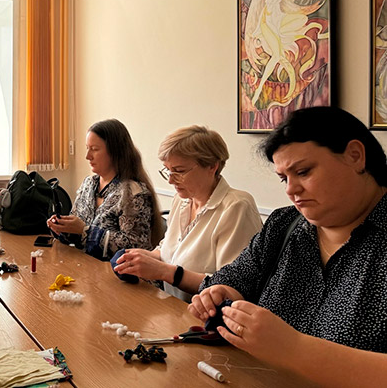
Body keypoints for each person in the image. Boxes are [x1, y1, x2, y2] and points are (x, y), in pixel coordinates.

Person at [189, 107, 387, 386]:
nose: (290, 190)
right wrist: (221, 293)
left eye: (303, 172)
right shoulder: (284, 224)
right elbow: (236, 277)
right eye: (284, 178)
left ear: (355, 156)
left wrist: (296, 349)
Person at [115, 126, 262, 301]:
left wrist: (163, 271)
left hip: (207, 315)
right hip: (173, 307)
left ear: (212, 166)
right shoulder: (182, 199)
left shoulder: (236, 207)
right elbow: (168, 251)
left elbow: (231, 286)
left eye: (179, 171)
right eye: (168, 170)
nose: (170, 180)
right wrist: (137, 258)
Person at [46, 119, 164, 259]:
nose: (87, 156)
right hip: (84, 265)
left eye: (95, 149)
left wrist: (85, 231)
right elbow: (77, 234)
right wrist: (62, 228)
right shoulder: (89, 184)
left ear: (115, 152)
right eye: (87, 148)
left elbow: (135, 247)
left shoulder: (133, 193)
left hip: (114, 271)